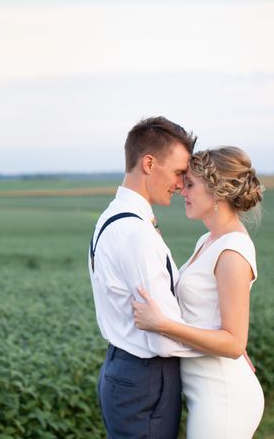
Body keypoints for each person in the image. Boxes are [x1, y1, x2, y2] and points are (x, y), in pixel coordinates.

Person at [132, 146, 265, 439]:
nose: (182, 190)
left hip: (223, 397)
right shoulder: (208, 240)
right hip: (207, 392)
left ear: (216, 191)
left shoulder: (232, 251)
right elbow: (207, 310)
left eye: (190, 184)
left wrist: (162, 324)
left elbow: (233, 343)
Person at [88, 117, 201, 438]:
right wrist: (222, 346)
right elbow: (162, 336)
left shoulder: (113, 217)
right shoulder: (135, 232)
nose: (181, 185)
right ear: (149, 163)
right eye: (179, 172)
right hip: (146, 376)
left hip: (126, 368)